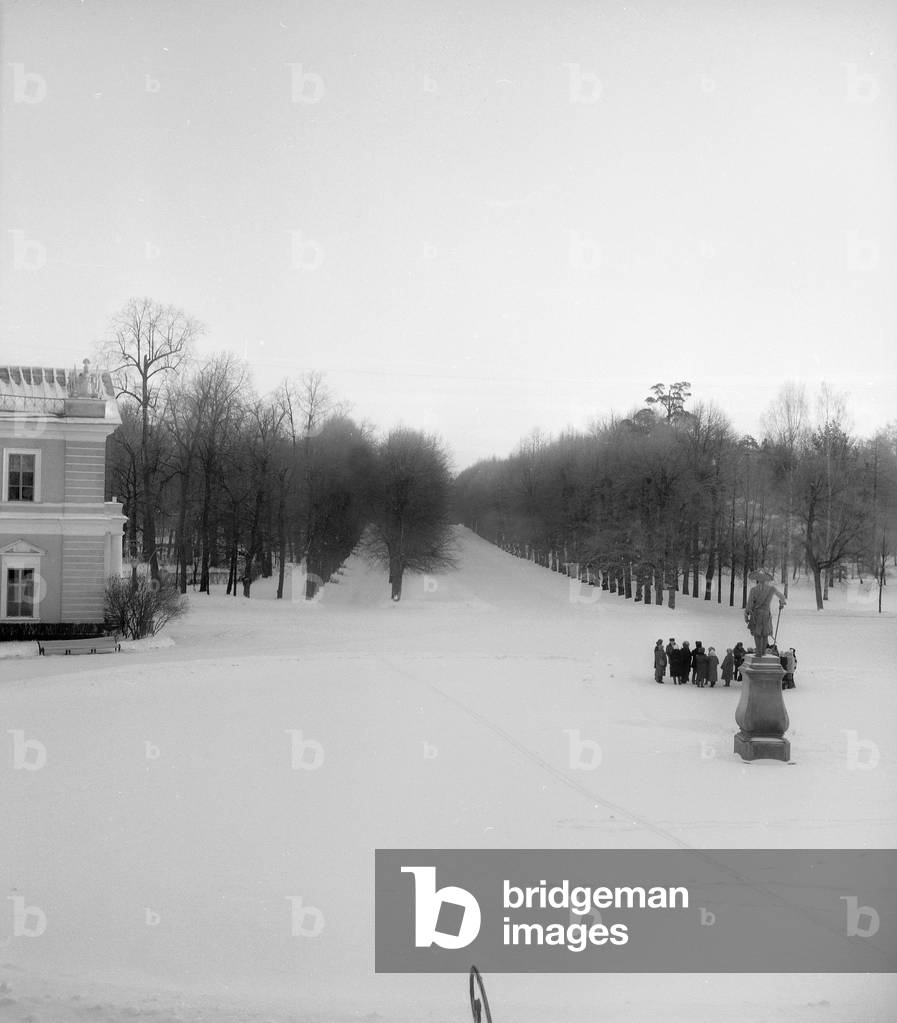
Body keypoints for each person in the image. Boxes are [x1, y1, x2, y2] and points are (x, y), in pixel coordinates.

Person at [744, 569, 786, 657]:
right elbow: (782, 597)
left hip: (756, 614)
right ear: (766, 579)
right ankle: (763, 652)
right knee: (765, 633)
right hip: (766, 614)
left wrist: (746, 614)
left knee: (757, 633)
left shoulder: (753, 590)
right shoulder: (772, 589)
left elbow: (749, 604)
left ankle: (758, 652)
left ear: (757, 579)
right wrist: (781, 604)